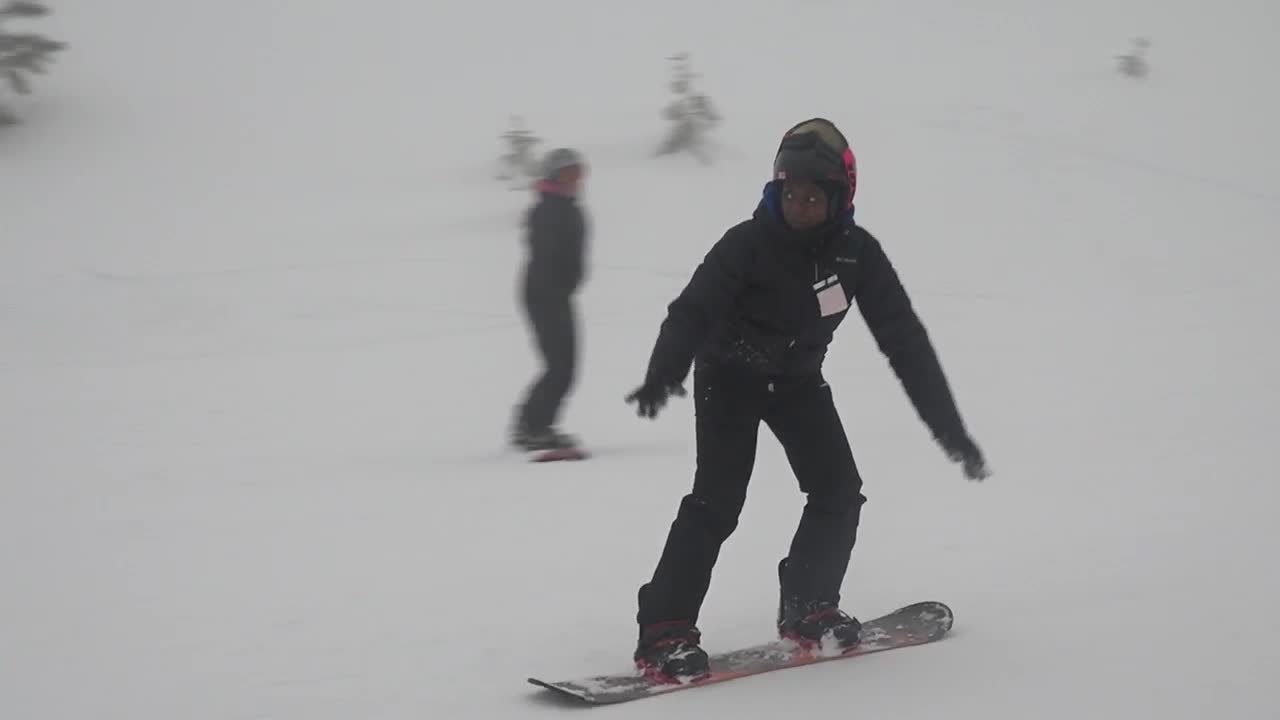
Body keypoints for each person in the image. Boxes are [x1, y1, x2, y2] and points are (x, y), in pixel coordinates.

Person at [623, 118, 989, 682]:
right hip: (729, 376)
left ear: (840, 198)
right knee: (718, 501)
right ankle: (664, 630)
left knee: (838, 489)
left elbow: (904, 341)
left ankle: (809, 607)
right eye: (789, 193)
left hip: (795, 380)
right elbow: (693, 309)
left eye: (812, 197)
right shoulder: (745, 244)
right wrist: (663, 371)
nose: (798, 206)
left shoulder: (856, 254)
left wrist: (949, 429)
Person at [511, 148, 589, 452]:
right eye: (569, 174)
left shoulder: (566, 207)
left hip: (556, 294)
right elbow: (544, 253)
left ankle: (533, 426)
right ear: (554, 175)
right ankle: (533, 428)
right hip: (545, 294)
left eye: (579, 174)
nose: (576, 180)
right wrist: (554, 288)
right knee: (560, 366)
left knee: (564, 365)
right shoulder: (548, 209)